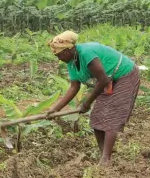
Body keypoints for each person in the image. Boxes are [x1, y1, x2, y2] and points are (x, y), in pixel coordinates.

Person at [46, 31, 140, 165]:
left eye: (59, 54)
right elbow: (74, 87)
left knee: (112, 116)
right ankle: (104, 154)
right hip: (108, 81)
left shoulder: (86, 53)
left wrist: (87, 103)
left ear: (68, 50)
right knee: (96, 117)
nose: (58, 58)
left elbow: (102, 80)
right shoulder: (71, 62)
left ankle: (105, 159)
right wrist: (55, 109)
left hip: (124, 75)